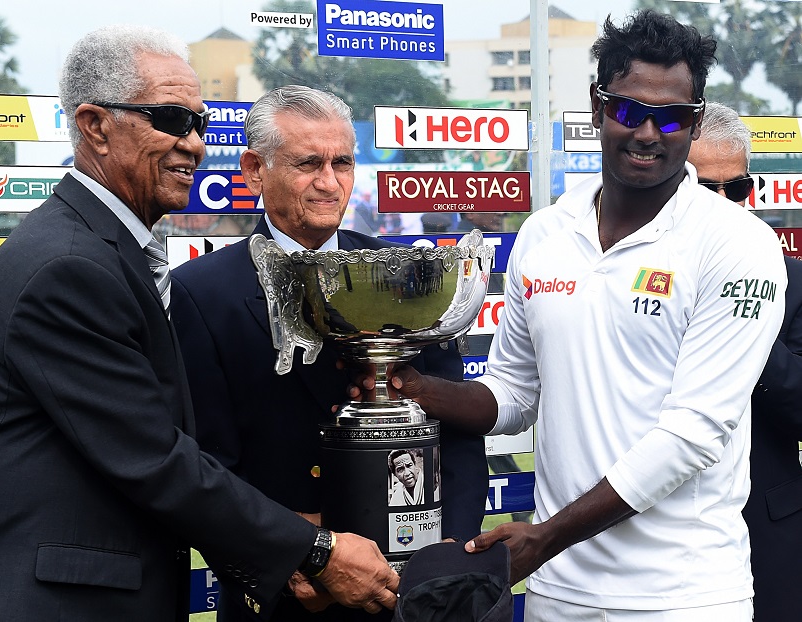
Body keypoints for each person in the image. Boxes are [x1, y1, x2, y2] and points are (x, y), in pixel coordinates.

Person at [0, 26, 399, 622]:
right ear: (94, 125)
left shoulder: (103, 249)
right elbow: (152, 458)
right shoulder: (69, 266)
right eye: (169, 119)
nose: (192, 144)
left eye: (197, 123)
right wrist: (316, 551)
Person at [353, 11, 788, 621]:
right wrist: (416, 390)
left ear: (692, 124)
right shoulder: (545, 233)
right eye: (630, 110)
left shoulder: (738, 245)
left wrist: (546, 535)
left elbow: (692, 436)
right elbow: (514, 393)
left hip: (684, 596)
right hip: (560, 596)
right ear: (596, 106)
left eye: (672, 117)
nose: (648, 132)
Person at [170, 85, 487, 621]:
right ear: (253, 169)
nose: (328, 182)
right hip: (290, 602)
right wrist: (297, 560)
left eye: (342, 162)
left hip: (412, 603)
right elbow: (206, 470)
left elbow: (454, 443)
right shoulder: (201, 295)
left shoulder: (409, 275)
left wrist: (442, 565)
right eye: (307, 163)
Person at [689, 101, 802, 622]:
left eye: (735, 188)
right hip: (658, 532)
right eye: (704, 187)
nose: (723, 201)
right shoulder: (636, 279)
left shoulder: (792, 280)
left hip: (768, 531)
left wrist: (743, 323)